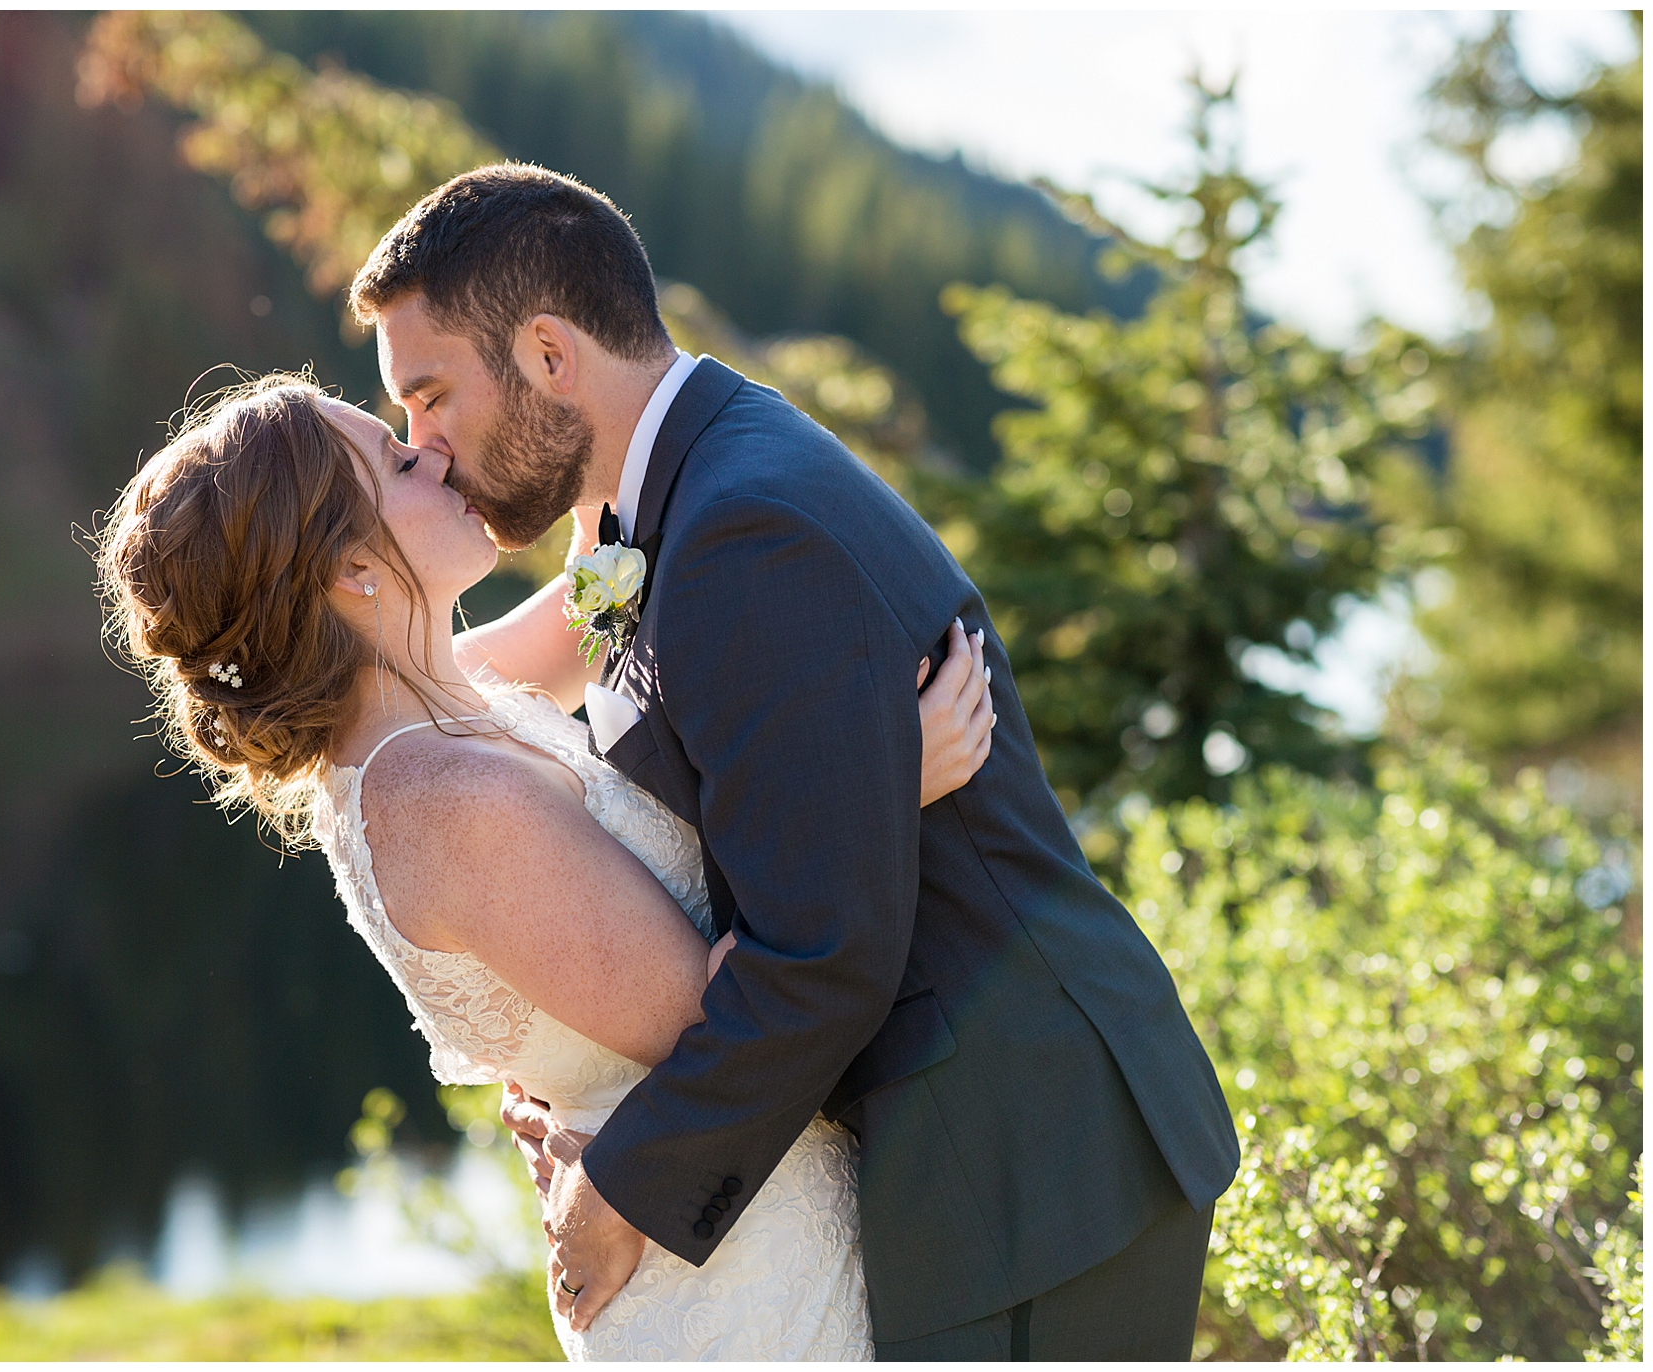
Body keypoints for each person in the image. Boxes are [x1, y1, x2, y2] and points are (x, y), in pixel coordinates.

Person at [347, 163, 1241, 1360]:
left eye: (431, 397)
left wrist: (620, 1190)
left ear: (551, 359)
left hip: (1027, 1163)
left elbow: (822, 955)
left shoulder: (737, 532)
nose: (427, 445)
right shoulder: (657, 505)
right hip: (974, 1156)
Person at [95, 372, 995, 1359]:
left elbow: (602, 593)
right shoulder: (444, 801)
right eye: (399, 461)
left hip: (737, 1213)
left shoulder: (441, 693)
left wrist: (579, 417)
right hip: (737, 1284)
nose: (429, 450)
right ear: (354, 568)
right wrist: (880, 781)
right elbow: (729, 1023)